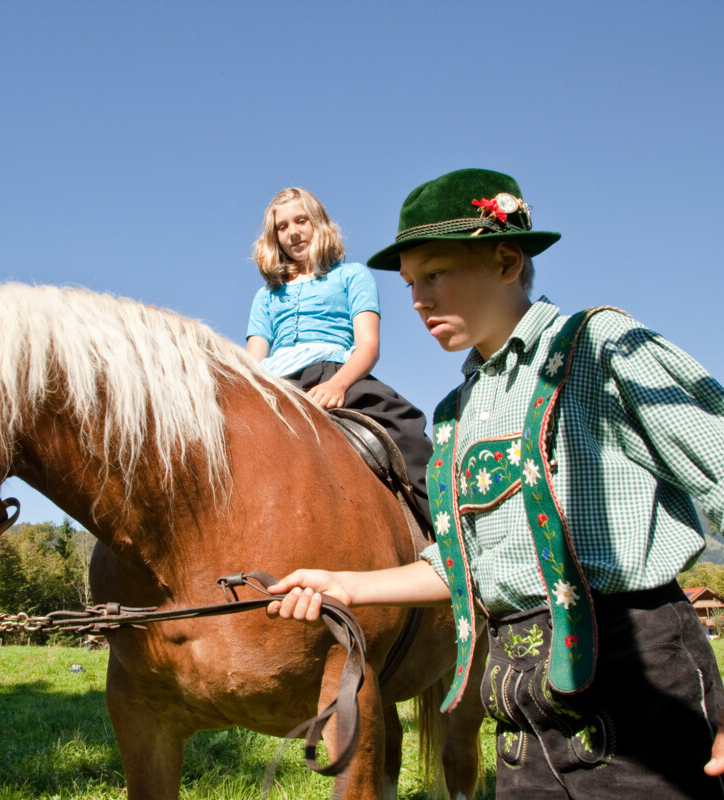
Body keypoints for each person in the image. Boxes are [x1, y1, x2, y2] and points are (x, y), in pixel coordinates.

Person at [267, 168, 724, 798]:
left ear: (508, 260)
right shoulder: (455, 415)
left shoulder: (602, 347)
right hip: (518, 705)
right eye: (408, 285)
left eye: (435, 275)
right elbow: (465, 567)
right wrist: (344, 583)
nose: (418, 300)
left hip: (638, 674)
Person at [246, 187, 432, 516]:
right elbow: (252, 362)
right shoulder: (266, 296)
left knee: (407, 429)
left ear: (318, 224)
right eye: (282, 226)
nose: (293, 232)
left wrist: (338, 385)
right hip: (275, 382)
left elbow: (368, 346)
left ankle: (442, 524)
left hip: (334, 370)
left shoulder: (352, 275)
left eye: (301, 220)